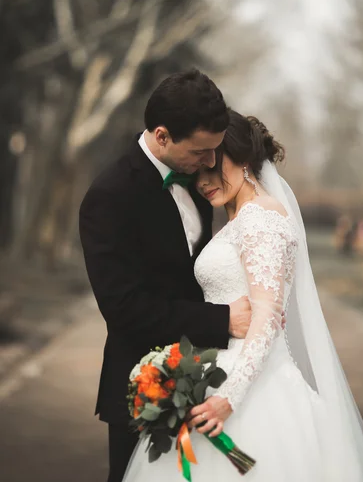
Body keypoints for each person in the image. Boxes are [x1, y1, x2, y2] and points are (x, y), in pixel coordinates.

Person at [123, 110, 363, 482]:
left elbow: (266, 316)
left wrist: (229, 397)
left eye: (215, 165)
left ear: (244, 158)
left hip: (253, 392)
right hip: (217, 375)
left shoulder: (261, 220)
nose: (204, 180)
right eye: (198, 169)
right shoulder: (239, 218)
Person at [79, 70, 257, 482]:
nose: (211, 162)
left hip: (209, 377)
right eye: (201, 151)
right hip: (143, 388)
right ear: (162, 136)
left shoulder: (198, 182)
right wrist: (222, 320)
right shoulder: (109, 196)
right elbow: (125, 309)